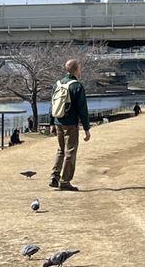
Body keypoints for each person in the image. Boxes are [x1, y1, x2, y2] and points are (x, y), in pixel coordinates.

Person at [49, 58, 91, 191]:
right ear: (76, 70)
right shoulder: (76, 86)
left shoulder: (58, 84)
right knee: (70, 151)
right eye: (79, 67)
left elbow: (52, 105)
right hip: (70, 123)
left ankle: (54, 176)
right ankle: (65, 181)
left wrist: (52, 123)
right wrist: (86, 128)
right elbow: (82, 109)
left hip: (58, 121)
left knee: (61, 150)